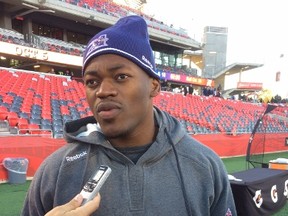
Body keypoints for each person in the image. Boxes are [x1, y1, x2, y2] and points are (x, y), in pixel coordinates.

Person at [21, 15, 237, 216]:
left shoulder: (204, 165)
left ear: (154, 86)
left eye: (121, 76)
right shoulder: (56, 170)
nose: (102, 91)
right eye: (92, 82)